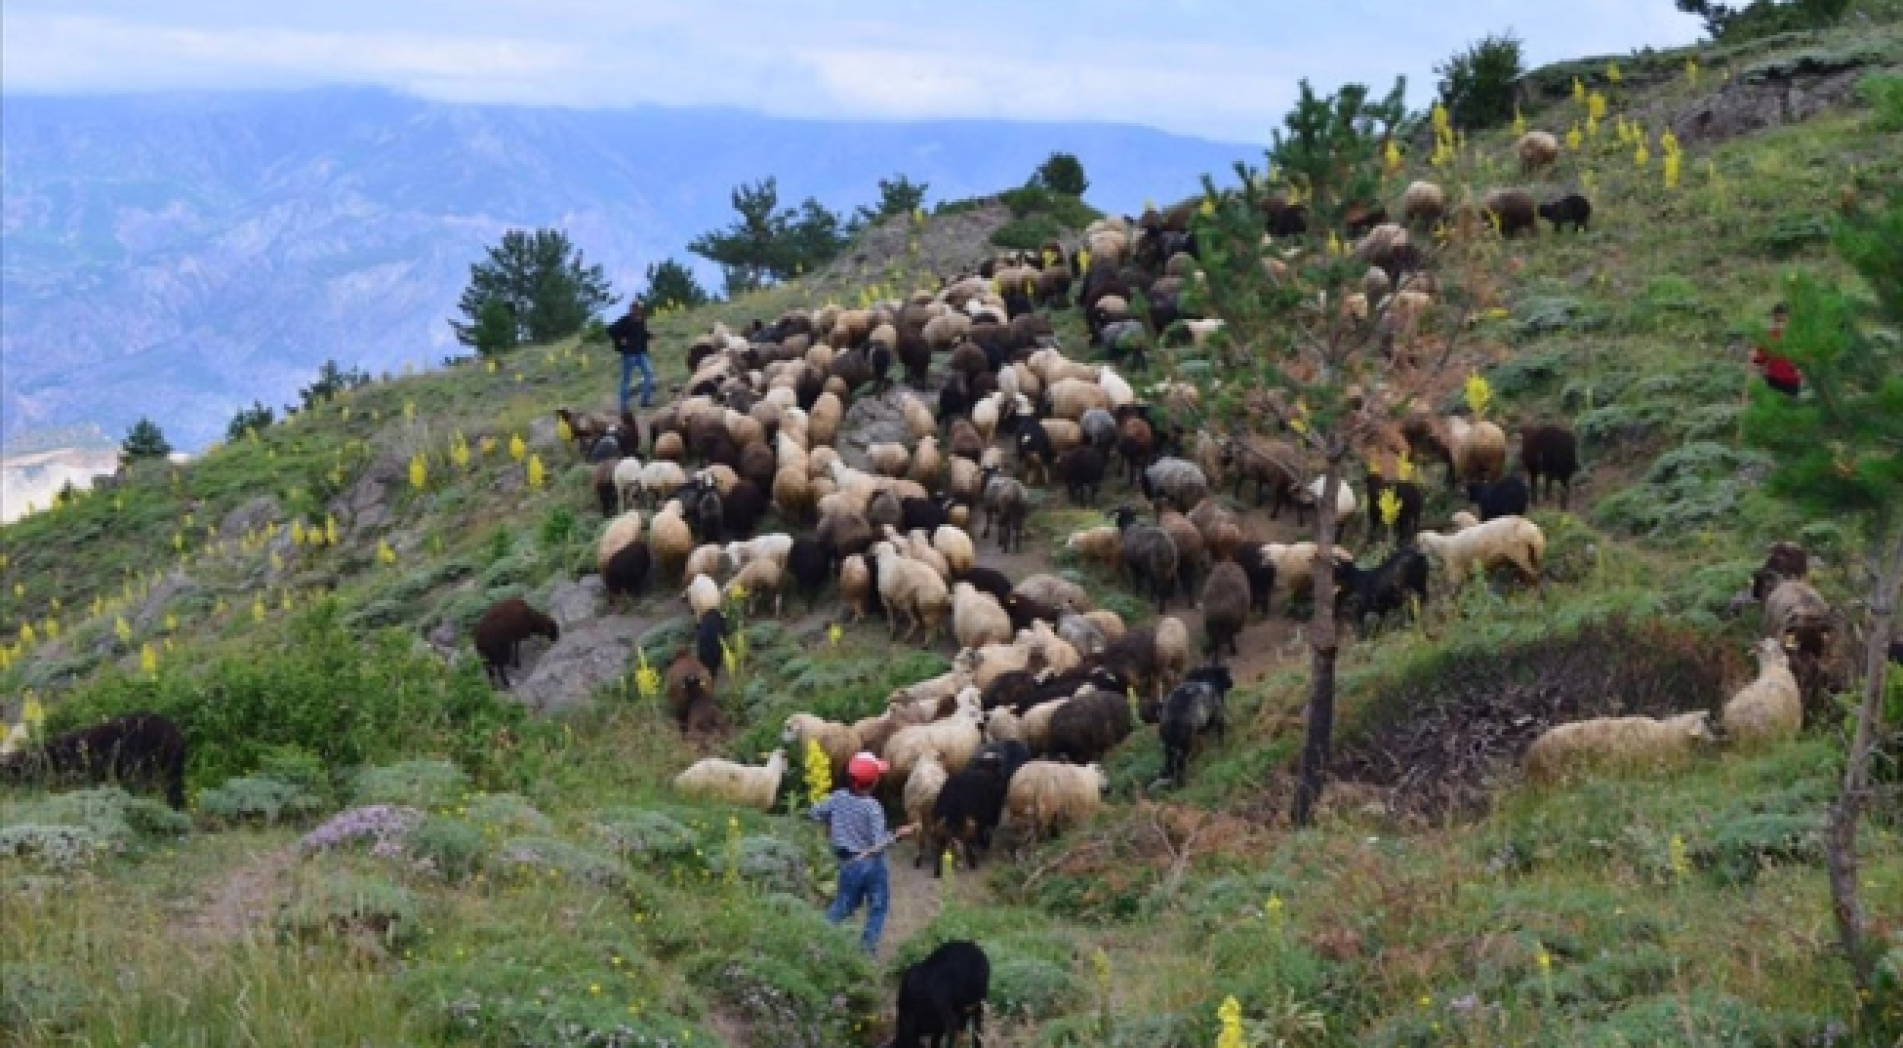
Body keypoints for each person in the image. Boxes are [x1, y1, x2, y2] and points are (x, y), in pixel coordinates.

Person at [809, 752, 915, 956]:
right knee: (878, 905)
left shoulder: (838, 797)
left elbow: (814, 813)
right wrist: (899, 834)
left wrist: (830, 824)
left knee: (844, 903)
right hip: (871, 863)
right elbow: (879, 843)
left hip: (847, 861)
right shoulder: (872, 808)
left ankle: (819, 938)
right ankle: (866, 951)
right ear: (874, 782)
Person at [607, 299, 654, 411]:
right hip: (629, 355)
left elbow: (642, 333)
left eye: (640, 308)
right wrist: (620, 340)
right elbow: (610, 330)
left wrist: (650, 335)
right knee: (626, 380)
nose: (638, 310)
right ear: (632, 308)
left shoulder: (641, 320)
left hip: (640, 353)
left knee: (649, 373)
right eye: (636, 307)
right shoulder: (625, 320)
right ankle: (624, 407)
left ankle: (644, 401)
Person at [1749, 303, 1802, 397]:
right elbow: (1760, 359)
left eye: (1782, 320)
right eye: (1778, 321)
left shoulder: (1796, 335)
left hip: (1791, 378)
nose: (1780, 324)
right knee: (1779, 408)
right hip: (1774, 378)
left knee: (1789, 407)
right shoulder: (1768, 335)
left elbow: (1804, 356)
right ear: (1773, 319)